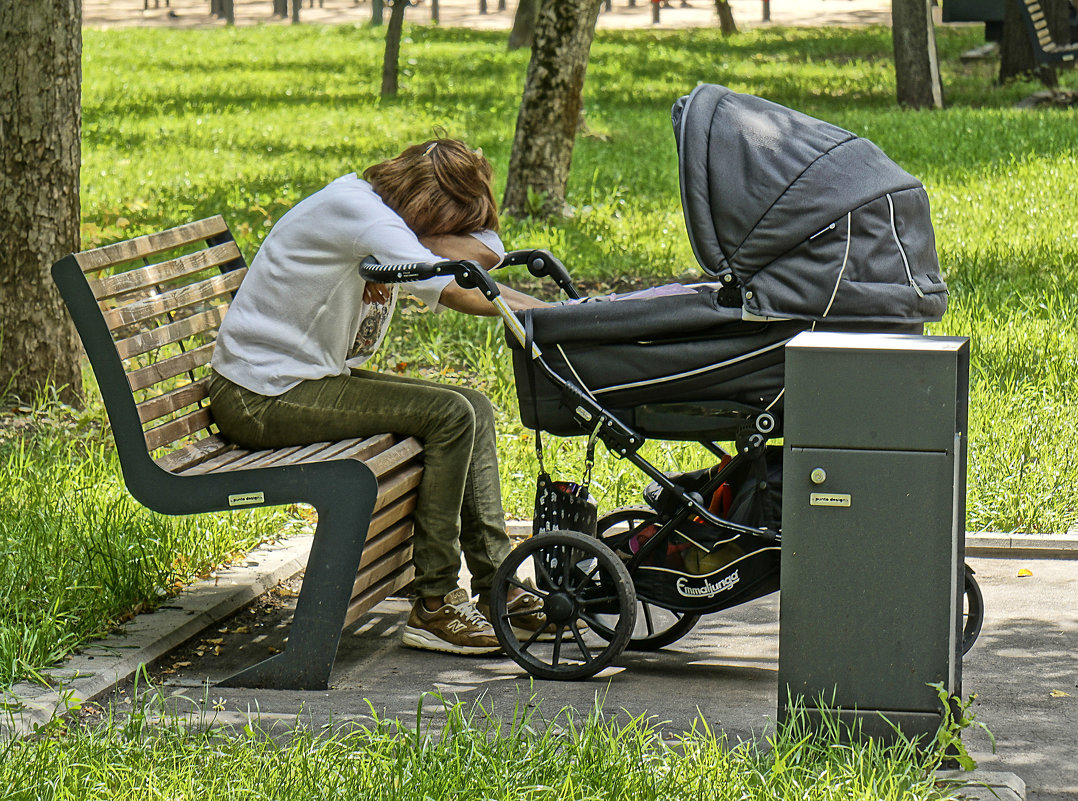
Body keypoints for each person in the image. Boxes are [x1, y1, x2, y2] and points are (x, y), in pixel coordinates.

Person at [207, 139, 548, 656]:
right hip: (259, 395)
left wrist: (445, 242)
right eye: (450, 220)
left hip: (300, 381)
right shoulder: (363, 215)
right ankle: (434, 602)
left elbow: (490, 247)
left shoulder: (377, 213)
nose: (457, 234)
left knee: (472, 406)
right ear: (427, 206)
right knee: (451, 414)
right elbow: (457, 287)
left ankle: (499, 584)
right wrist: (547, 317)